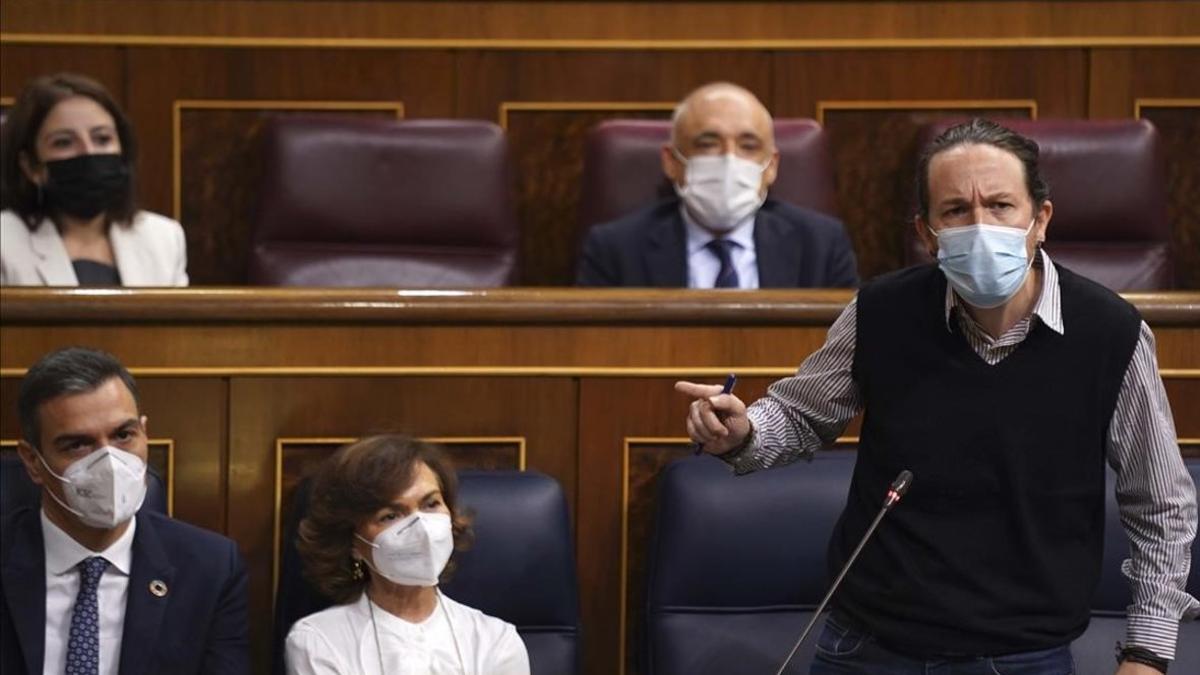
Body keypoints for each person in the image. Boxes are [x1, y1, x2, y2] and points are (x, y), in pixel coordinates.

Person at [677, 119, 1198, 673]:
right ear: (927, 233)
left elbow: (1161, 504)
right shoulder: (882, 312)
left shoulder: (1109, 332)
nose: (981, 226)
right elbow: (800, 415)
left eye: (1000, 206)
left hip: (1021, 654)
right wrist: (744, 432)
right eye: (956, 212)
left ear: (1039, 220)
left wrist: (1147, 650)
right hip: (868, 644)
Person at [1, 347, 248, 673]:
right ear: (33, 461)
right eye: (77, 444)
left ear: (144, 432)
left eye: (123, 435)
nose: (109, 462)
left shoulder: (210, 569)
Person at [284, 435, 530, 675]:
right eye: (390, 515)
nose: (420, 527)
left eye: (431, 504)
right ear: (353, 543)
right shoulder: (319, 643)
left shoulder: (496, 641)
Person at [576, 81, 858, 289]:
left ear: (771, 166)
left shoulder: (822, 245)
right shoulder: (615, 249)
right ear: (671, 161)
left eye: (748, 145)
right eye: (707, 144)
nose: (729, 159)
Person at [1, 73, 188, 286]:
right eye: (63, 142)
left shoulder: (163, 238)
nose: (88, 152)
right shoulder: (5, 242)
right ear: (31, 166)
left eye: (102, 138)